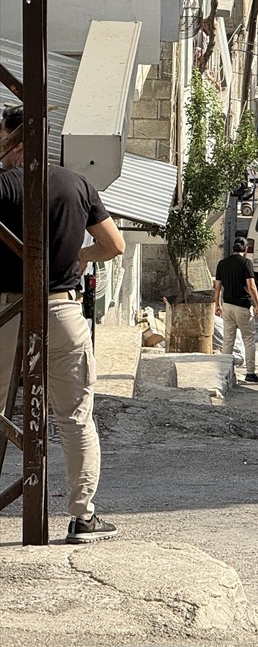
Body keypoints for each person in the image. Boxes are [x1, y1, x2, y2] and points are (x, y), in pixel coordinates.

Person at [0, 104, 126, 544]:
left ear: (9, 140)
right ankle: (82, 516)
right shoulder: (78, 184)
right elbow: (114, 244)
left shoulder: (4, 185)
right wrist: (76, 256)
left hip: (9, 311)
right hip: (63, 309)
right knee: (74, 417)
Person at [213, 237, 258, 381]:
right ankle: (250, 372)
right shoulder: (246, 263)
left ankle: (224, 372)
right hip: (243, 306)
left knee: (228, 340)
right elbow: (252, 286)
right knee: (249, 339)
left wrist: (218, 304)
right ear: (246, 249)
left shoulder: (222, 264)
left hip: (227, 305)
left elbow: (217, 287)